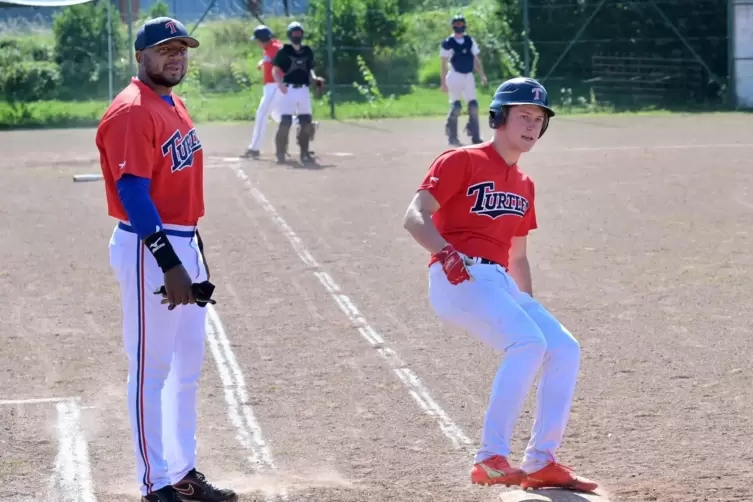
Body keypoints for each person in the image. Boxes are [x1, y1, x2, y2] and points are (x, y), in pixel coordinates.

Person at [402, 77, 598, 493]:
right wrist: (444, 252)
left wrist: (525, 305)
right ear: (499, 118)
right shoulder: (461, 160)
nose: (532, 125)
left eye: (539, 119)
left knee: (562, 346)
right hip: (459, 274)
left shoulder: (524, 185)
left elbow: (519, 257)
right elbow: (415, 215)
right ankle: (489, 458)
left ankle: (541, 461)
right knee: (527, 342)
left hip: (500, 281)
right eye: (523, 115)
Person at [95, 16, 237, 502]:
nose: (175, 56)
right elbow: (132, 190)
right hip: (148, 245)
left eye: (181, 48)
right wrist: (170, 262)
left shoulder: (171, 102)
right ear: (141, 57)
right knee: (150, 371)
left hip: (182, 242)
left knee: (186, 371)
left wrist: (191, 256)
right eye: (164, 49)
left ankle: (182, 475)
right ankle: (155, 486)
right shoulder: (132, 111)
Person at [272, 21, 324, 164]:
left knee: (306, 122)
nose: (297, 36)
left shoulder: (307, 51)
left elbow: (309, 69)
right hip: (288, 89)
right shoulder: (284, 51)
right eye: (294, 34)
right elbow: (275, 70)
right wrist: (280, 83)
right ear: (289, 35)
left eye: (299, 33)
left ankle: (304, 152)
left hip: (303, 89)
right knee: (286, 122)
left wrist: (315, 79)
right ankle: (280, 153)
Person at [440, 14, 488, 146]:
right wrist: (443, 82)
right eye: (457, 24)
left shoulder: (469, 40)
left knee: (473, 105)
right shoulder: (448, 42)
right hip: (455, 76)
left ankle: (475, 135)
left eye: (461, 24)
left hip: (469, 76)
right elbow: (443, 63)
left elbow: (475, 60)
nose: (459, 26)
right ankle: (452, 136)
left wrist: (482, 74)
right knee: (456, 106)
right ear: (453, 26)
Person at [242, 24, 284, 159]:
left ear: (262, 39)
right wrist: (263, 62)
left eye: (257, 40)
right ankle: (305, 124)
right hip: (271, 86)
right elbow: (271, 59)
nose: (256, 42)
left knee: (261, 114)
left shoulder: (276, 48)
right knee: (278, 117)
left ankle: (254, 149)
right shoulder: (269, 47)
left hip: (275, 85)